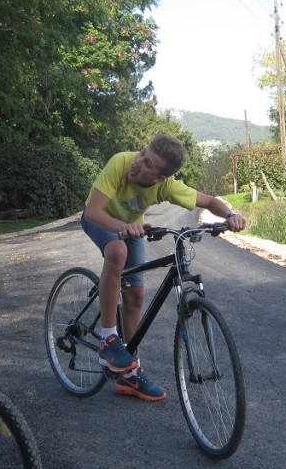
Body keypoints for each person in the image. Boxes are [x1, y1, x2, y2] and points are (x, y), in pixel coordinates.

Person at [81, 133, 246, 401]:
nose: (139, 162)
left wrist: (231, 214)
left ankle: (130, 374)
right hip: (101, 221)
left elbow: (209, 201)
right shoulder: (121, 163)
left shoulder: (165, 186)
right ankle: (108, 338)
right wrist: (122, 228)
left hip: (132, 226)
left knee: (136, 296)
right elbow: (92, 212)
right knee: (117, 250)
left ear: (160, 178)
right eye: (142, 154)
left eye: (148, 164)